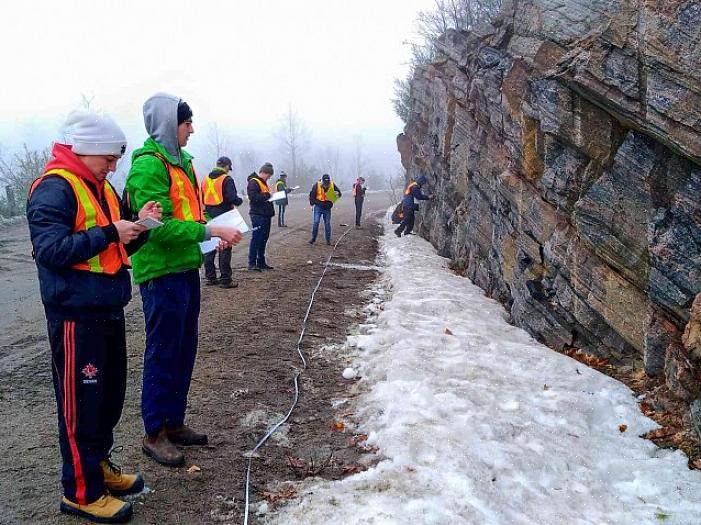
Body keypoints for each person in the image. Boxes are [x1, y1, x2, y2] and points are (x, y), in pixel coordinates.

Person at [27, 110, 161, 523]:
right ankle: (80, 492)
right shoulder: (54, 188)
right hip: (74, 315)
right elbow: (50, 251)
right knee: (80, 405)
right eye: (109, 157)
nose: (114, 165)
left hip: (107, 309)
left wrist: (140, 230)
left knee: (106, 401)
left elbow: (111, 252)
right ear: (85, 150)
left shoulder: (99, 187)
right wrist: (110, 233)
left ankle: (98, 469)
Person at [125, 93, 242, 467]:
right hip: (160, 273)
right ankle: (154, 432)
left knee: (184, 348)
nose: (192, 129)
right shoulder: (148, 167)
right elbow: (155, 227)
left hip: (185, 268)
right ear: (167, 124)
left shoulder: (184, 164)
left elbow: (191, 212)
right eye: (186, 122)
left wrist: (209, 233)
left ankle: (173, 422)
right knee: (163, 350)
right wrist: (209, 230)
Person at [201, 156, 243, 288]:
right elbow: (232, 197)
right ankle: (225, 279)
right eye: (228, 168)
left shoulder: (205, 180)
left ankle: (210, 277)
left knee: (210, 246)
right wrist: (239, 201)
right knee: (225, 246)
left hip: (208, 215)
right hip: (224, 215)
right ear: (226, 166)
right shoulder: (227, 179)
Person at [247, 162, 275, 271]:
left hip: (265, 214)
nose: (268, 178)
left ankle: (261, 262)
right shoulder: (254, 182)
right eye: (268, 176)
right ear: (263, 172)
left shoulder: (263, 183)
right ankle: (252, 263)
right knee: (256, 239)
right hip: (258, 215)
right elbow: (254, 198)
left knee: (264, 239)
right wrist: (268, 195)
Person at [309, 173, 342, 245]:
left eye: (328, 182)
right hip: (318, 206)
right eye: (325, 183)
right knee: (316, 222)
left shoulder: (332, 184)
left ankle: (328, 240)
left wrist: (336, 195)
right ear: (322, 181)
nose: (326, 184)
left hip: (327, 207)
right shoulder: (316, 185)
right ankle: (313, 238)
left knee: (327, 223)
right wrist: (312, 204)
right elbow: (312, 196)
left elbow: (339, 193)